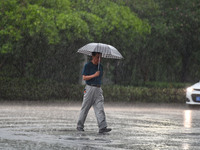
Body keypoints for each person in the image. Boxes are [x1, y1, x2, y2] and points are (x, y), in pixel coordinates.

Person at [77, 52, 112, 133]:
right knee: (85, 108)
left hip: (98, 89)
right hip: (90, 88)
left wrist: (98, 75)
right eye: (97, 57)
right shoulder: (88, 65)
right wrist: (94, 75)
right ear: (93, 56)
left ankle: (102, 127)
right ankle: (80, 126)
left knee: (100, 108)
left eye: (100, 57)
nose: (98, 59)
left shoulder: (101, 67)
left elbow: (100, 77)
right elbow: (84, 77)